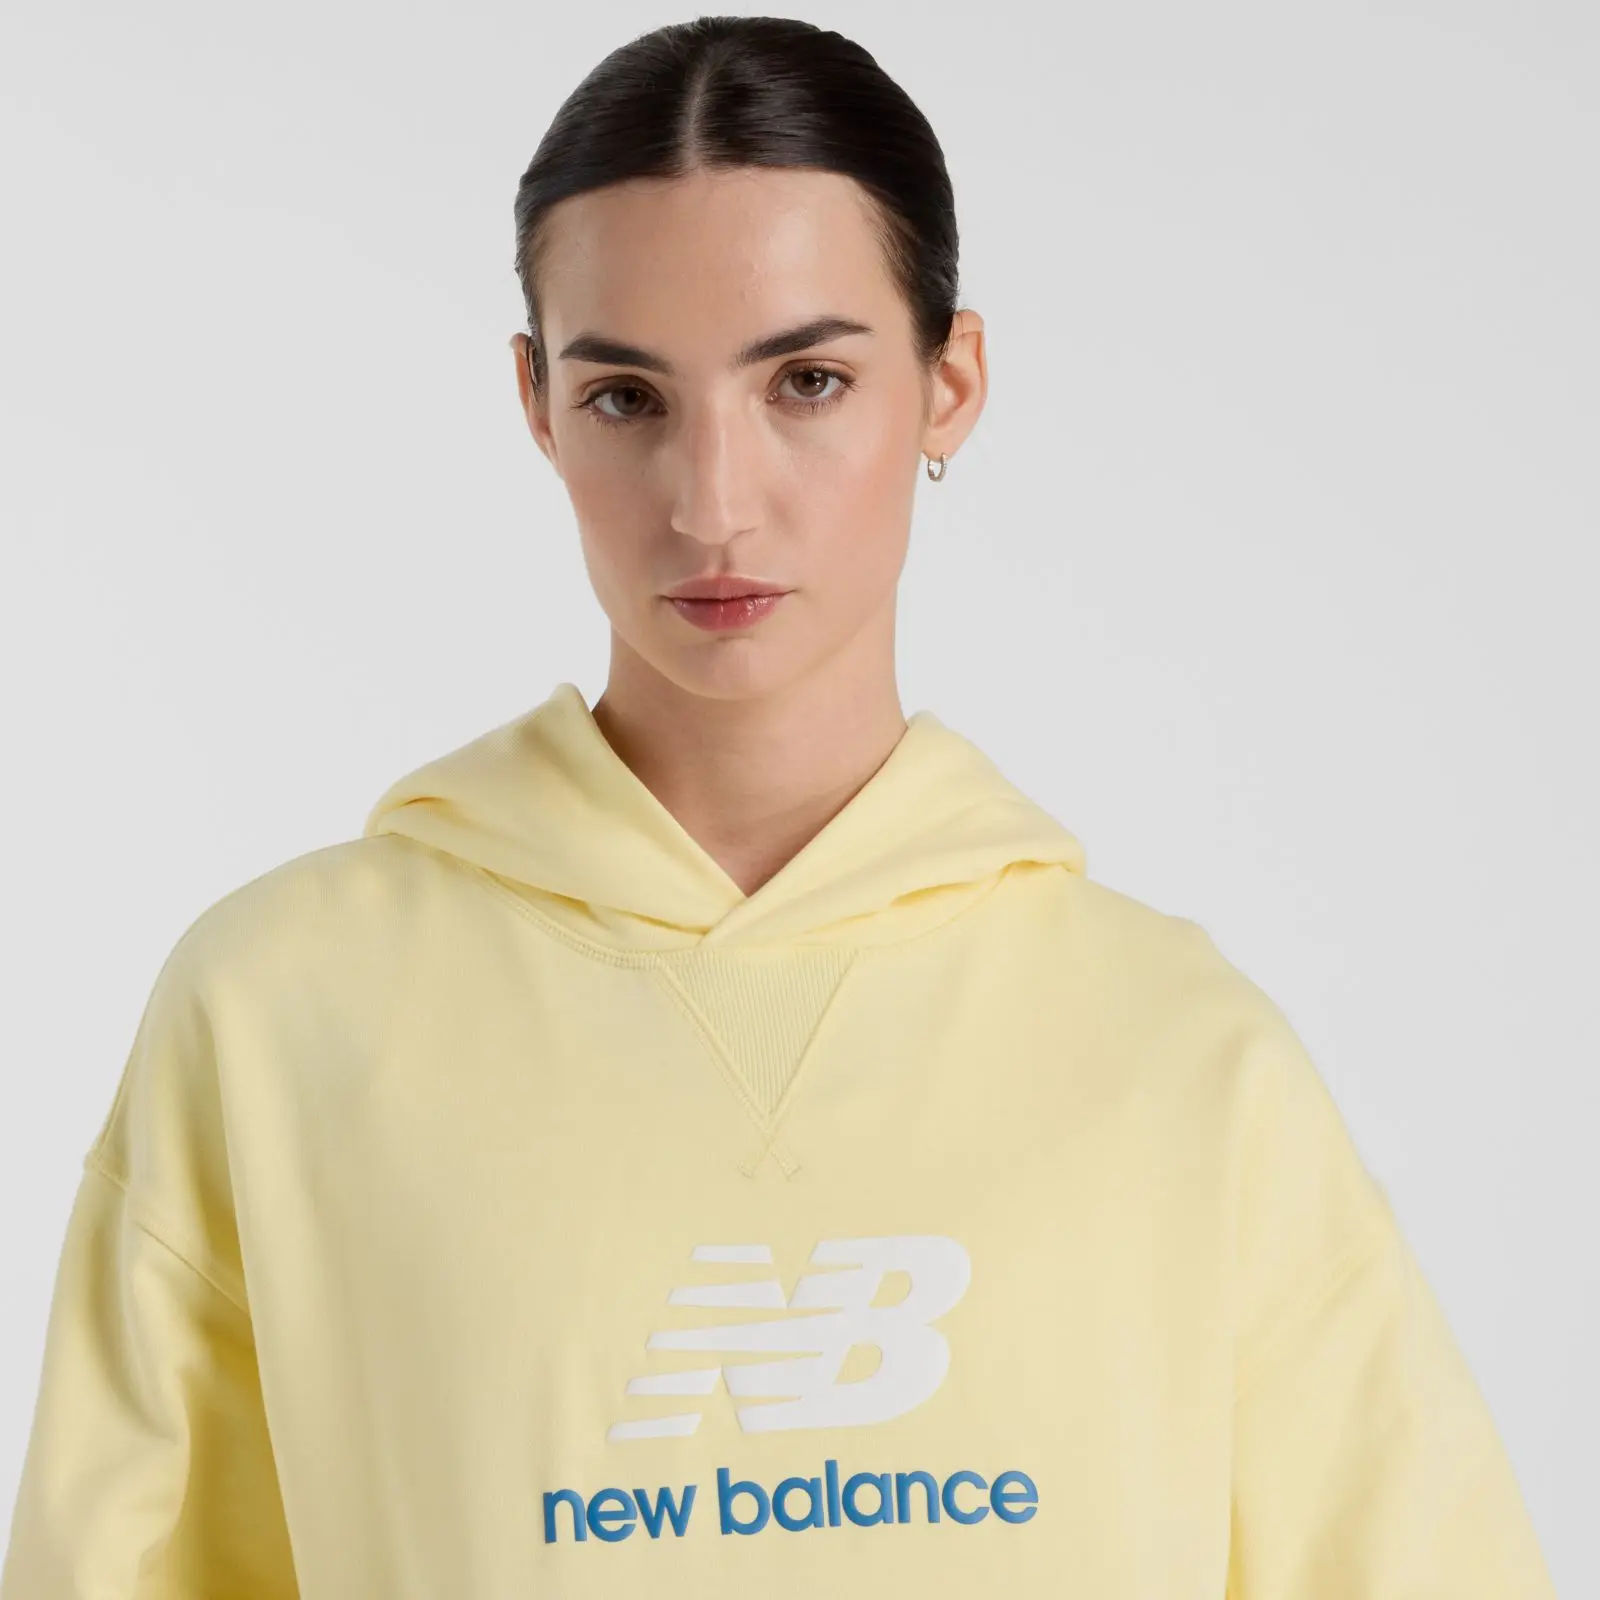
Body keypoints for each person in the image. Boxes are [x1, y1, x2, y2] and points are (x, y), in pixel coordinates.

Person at [1, 15, 1556, 1597]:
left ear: (950, 384)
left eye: (806, 381)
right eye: (628, 398)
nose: (713, 504)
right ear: (537, 401)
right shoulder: (282, 1015)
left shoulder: (1177, 1054)